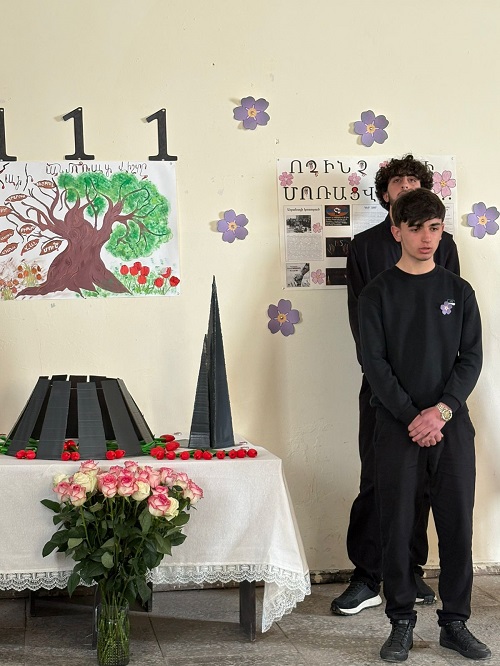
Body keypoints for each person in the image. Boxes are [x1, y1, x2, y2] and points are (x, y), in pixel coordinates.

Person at [358, 188, 489, 661]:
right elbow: (374, 364)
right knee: (397, 528)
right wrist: (413, 416)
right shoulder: (377, 294)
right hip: (397, 428)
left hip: (451, 427)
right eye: (415, 229)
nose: (426, 238)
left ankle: (455, 623)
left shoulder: (459, 291)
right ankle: (401, 623)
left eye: (434, 228)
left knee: (456, 527)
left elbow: (471, 358)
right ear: (397, 232)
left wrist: (442, 411)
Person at [331, 155, 460, 616]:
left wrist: (438, 405)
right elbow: (361, 325)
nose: (406, 185)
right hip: (383, 392)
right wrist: (393, 395)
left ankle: (410, 570)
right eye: (398, 180)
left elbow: (452, 318)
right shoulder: (364, 246)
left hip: (435, 395)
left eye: (414, 180)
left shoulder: (444, 245)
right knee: (376, 479)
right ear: (385, 194)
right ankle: (367, 577)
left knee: (424, 483)